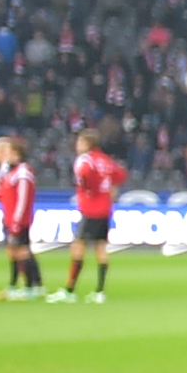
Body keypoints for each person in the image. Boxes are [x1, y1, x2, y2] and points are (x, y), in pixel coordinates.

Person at [67, 128, 126, 303]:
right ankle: (99, 291)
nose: (77, 146)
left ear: (86, 144)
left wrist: (88, 189)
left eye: (79, 142)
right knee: (101, 248)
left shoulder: (86, 160)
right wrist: (110, 188)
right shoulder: (106, 160)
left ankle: (69, 290)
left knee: (78, 247)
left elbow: (84, 175)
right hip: (105, 208)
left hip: (90, 208)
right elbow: (121, 174)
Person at [0, 134, 40, 301]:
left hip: (19, 220)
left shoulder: (23, 171)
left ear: (16, 153)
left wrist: (18, 220)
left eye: (7, 151)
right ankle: (14, 286)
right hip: (9, 218)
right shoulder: (9, 171)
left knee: (22, 252)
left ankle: (31, 286)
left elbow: (24, 198)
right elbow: (6, 195)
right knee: (13, 252)